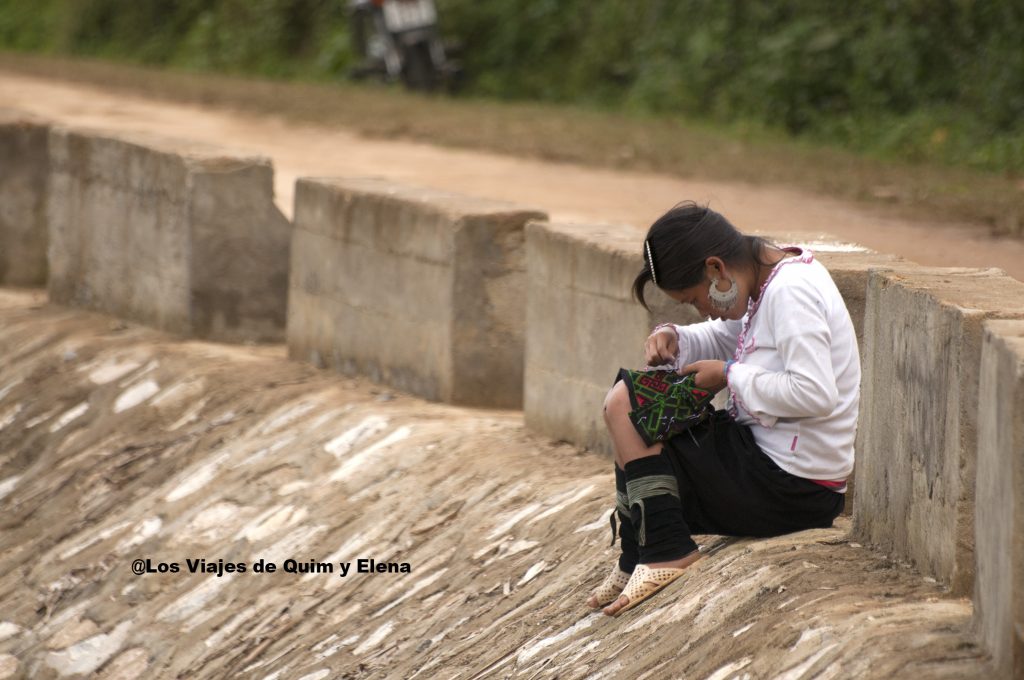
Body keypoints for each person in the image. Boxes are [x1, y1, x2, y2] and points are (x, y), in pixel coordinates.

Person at [588, 201, 859, 616]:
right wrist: (675, 336)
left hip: (794, 487)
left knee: (629, 405)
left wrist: (729, 376)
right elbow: (732, 334)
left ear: (716, 269)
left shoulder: (792, 293)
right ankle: (637, 553)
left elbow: (816, 393)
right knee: (630, 409)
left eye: (696, 300)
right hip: (766, 468)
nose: (703, 310)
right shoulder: (763, 279)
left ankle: (665, 551)